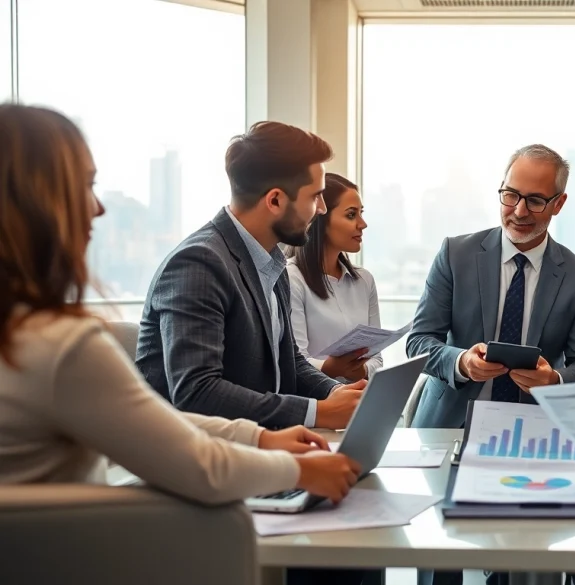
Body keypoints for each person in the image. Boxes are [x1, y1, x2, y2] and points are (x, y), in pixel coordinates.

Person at [0, 103, 361, 509]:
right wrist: (298, 462)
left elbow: (150, 422)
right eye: (84, 187)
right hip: (164, 513)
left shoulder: (272, 263)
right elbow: (192, 431)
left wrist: (268, 435)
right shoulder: (67, 344)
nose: (98, 208)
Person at [407, 144, 575, 585]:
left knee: (526, 564)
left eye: (535, 200)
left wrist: (553, 378)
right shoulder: (455, 253)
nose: (518, 210)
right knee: (440, 562)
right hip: (451, 429)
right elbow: (420, 342)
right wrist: (461, 362)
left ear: (559, 204)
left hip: (531, 437)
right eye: (509, 194)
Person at [135, 121, 365, 431]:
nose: (322, 209)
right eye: (315, 196)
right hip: (197, 463)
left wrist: (336, 393)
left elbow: (290, 363)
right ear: (275, 200)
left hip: (254, 450)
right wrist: (317, 413)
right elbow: (196, 393)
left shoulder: (271, 262)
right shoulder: (198, 264)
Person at [286, 172, 382, 383]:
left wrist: (361, 371)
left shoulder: (365, 281)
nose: (362, 224)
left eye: (361, 213)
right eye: (351, 215)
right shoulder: (292, 278)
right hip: (318, 405)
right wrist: (330, 368)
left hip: (359, 401)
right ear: (321, 219)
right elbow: (294, 361)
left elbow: (377, 360)